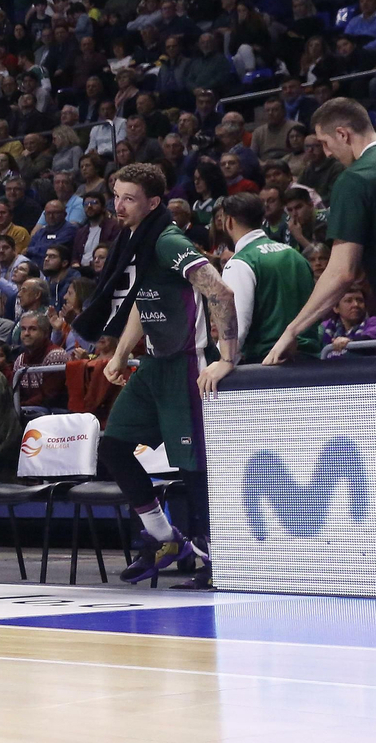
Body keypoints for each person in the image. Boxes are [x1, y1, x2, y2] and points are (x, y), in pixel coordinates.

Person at [77, 163, 237, 590]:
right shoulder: (135, 238)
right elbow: (141, 302)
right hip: (152, 365)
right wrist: (121, 354)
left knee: (194, 469)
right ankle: (167, 539)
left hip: (186, 365)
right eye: (116, 196)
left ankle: (215, 557)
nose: (119, 205)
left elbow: (219, 290)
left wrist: (226, 356)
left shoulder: (167, 240)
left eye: (129, 198)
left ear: (152, 203)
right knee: (113, 448)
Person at [266, 98, 376, 362]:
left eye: (325, 143)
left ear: (342, 134)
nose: (327, 153)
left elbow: (342, 272)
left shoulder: (355, 180)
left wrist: (292, 330)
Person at [216, 194, 318, 365]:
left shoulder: (241, 262)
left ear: (229, 222)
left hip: (265, 365)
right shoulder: (295, 255)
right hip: (311, 362)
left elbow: (236, 329)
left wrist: (219, 362)